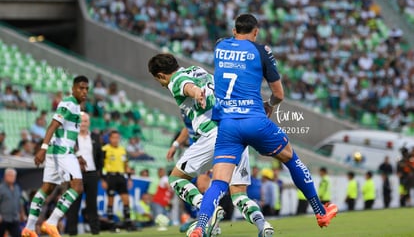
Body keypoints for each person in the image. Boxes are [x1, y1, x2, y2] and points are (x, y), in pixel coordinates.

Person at [189, 14, 338, 237]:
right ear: (256, 32)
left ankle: (200, 226)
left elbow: (230, 47)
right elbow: (279, 94)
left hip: (227, 125)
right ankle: (320, 211)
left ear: (233, 30)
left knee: (219, 182)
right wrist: (269, 104)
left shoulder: (220, 47)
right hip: (255, 121)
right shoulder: (261, 51)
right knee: (291, 158)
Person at [148, 53, 273, 237]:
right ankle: (263, 225)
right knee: (239, 194)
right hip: (237, 131)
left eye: (158, 79)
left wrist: (196, 93)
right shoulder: (198, 70)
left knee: (176, 178)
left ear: (160, 75)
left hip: (215, 135)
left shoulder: (175, 80)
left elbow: (187, 87)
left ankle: (207, 207)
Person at [21, 75, 89, 237]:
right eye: (81, 88)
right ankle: (51, 222)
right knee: (77, 186)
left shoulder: (77, 108)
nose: (84, 91)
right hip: (61, 152)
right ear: (73, 89)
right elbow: (52, 126)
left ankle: (29, 228)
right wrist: (42, 149)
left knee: (47, 188)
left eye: (86, 88)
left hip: (60, 151)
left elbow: (70, 135)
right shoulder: (68, 103)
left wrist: (79, 155)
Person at [65, 112, 103, 236]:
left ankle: (95, 231)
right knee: (74, 204)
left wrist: (98, 173)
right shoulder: (71, 137)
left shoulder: (95, 137)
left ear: (89, 123)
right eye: (81, 121)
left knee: (92, 204)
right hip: (76, 175)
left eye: (85, 121)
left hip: (92, 174)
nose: (83, 124)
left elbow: (100, 156)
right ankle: (72, 232)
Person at [101, 130, 134, 231]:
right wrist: (103, 179)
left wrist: (129, 178)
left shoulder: (122, 150)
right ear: (109, 138)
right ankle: (111, 224)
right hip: (110, 177)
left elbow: (126, 165)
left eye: (117, 138)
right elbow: (101, 165)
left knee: (126, 200)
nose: (115, 140)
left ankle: (128, 223)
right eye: (113, 138)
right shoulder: (105, 149)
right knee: (111, 201)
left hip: (121, 177)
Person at [0, 168, 25, 237]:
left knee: (18, 235)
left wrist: (22, 213)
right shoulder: (1, 188)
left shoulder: (17, 188)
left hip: (14, 218)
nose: (12, 177)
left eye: (13, 176)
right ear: (5, 176)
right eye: (10, 175)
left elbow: (20, 202)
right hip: (3, 218)